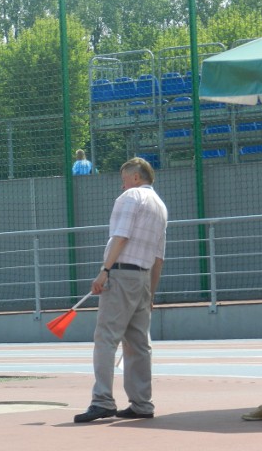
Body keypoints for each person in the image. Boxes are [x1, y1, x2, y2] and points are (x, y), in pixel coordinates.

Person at [74, 157, 167, 423]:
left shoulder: (129, 198)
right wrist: (151, 292)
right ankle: (142, 403)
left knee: (106, 338)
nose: (122, 185)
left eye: (124, 179)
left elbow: (121, 236)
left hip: (122, 274)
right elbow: (159, 257)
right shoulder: (160, 205)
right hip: (144, 278)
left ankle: (102, 400)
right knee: (139, 344)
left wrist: (105, 270)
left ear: (135, 177)